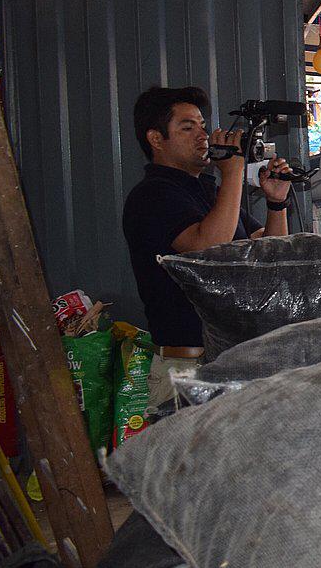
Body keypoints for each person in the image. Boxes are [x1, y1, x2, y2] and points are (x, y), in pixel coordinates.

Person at [122, 86, 292, 406]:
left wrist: (276, 203)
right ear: (156, 139)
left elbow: (272, 254)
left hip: (229, 362)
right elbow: (208, 253)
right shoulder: (152, 195)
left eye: (202, 125)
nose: (202, 135)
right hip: (187, 369)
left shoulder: (208, 193)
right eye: (187, 128)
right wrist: (235, 170)